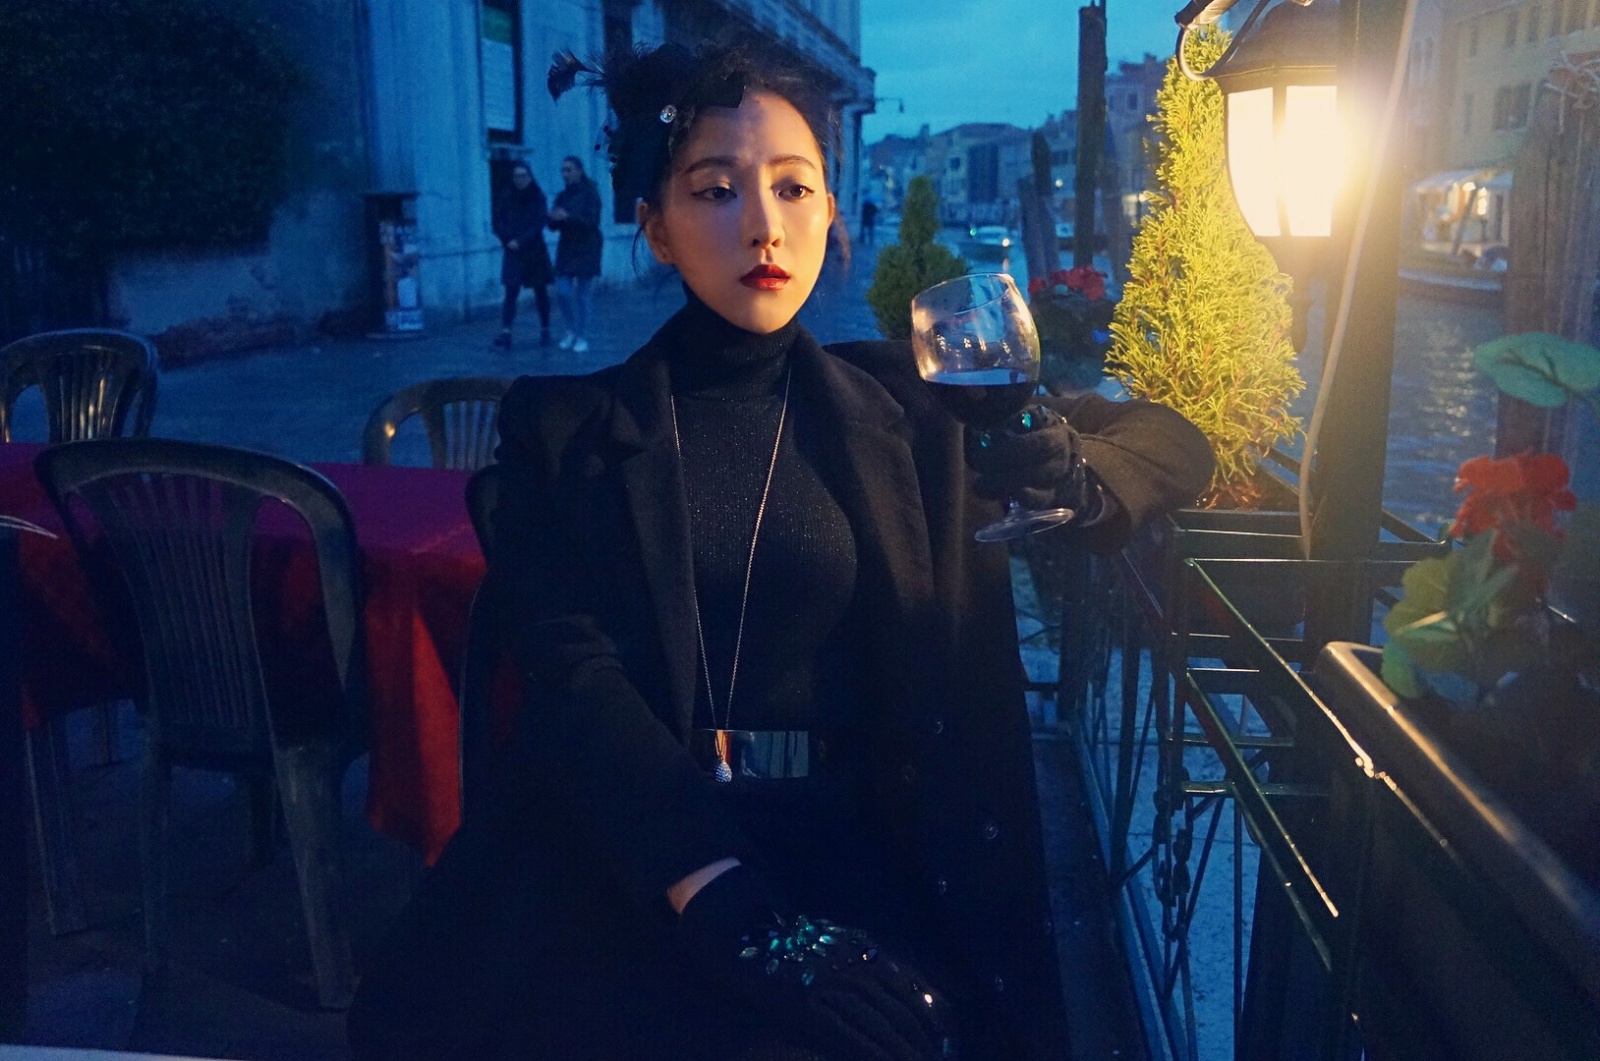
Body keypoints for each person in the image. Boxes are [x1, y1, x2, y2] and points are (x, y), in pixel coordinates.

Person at [348, 39, 1213, 1061]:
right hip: (642, 848)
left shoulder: (912, 397)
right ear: (655, 228)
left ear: (830, 211)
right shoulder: (565, 431)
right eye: (716, 190)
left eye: (794, 187)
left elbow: (1175, 442)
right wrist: (723, 898)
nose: (762, 223)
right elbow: (575, 680)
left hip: (862, 843)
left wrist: (1071, 471)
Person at [491, 161, 555, 349]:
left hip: (535, 251)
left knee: (540, 291)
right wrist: (507, 239)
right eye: (516, 176)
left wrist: (521, 240)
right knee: (511, 291)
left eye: (523, 176)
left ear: (529, 177)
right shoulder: (505, 196)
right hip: (512, 250)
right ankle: (506, 332)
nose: (519, 179)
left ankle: (545, 329)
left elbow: (539, 222)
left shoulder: (537, 196)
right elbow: (497, 222)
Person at [547, 154, 603, 353]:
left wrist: (568, 217)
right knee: (562, 292)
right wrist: (553, 218)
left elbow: (592, 222)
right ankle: (570, 329)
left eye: (569, 169)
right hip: (567, 249)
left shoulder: (591, 194)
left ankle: (581, 335)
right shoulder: (562, 196)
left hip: (587, 248)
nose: (565, 174)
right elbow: (553, 225)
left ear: (579, 171)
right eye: (563, 170)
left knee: (582, 295)